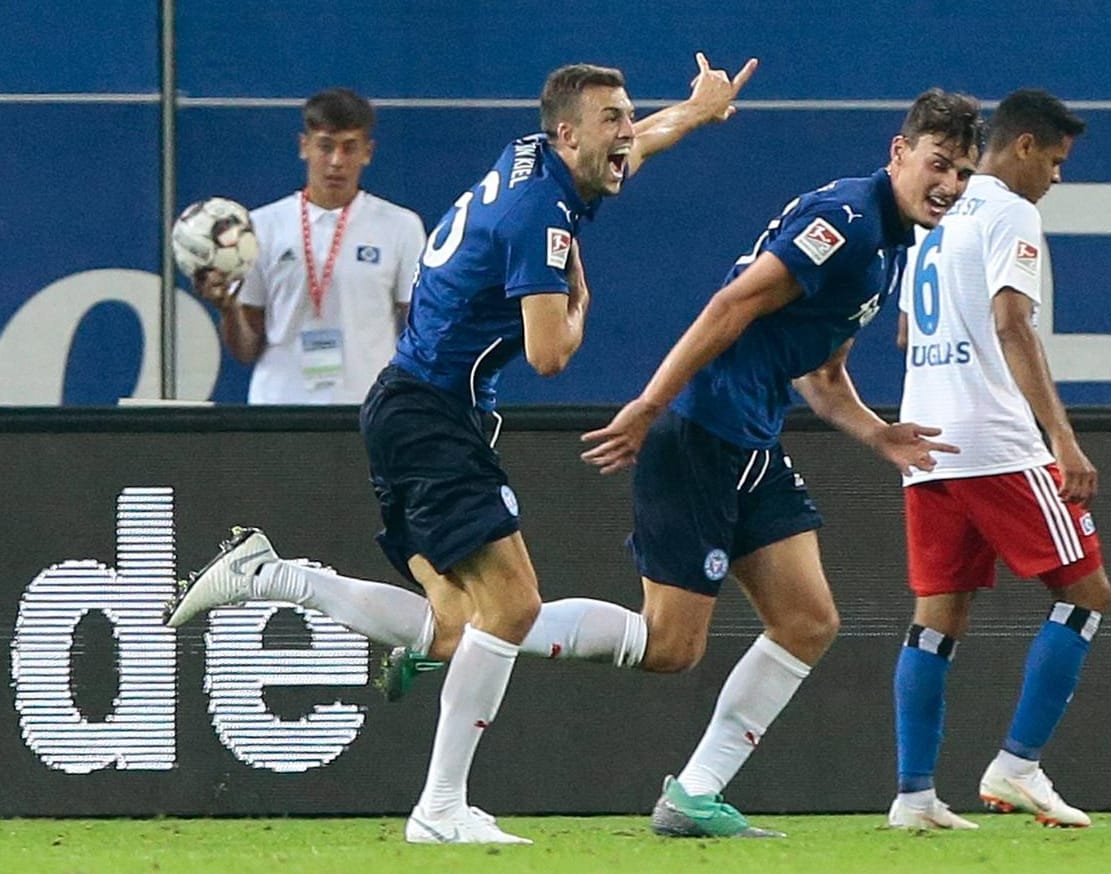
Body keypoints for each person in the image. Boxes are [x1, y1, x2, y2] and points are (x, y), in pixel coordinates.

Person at [165, 55, 757, 845]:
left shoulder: (538, 156)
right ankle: (439, 810)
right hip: (431, 414)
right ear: (567, 132)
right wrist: (581, 307)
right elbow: (550, 354)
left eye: (626, 116)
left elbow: (637, 145)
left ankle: (271, 574)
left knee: (454, 629)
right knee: (511, 608)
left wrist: (695, 108)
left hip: (417, 409)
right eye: (611, 119)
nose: (625, 134)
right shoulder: (539, 217)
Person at [577, 88, 981, 838]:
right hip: (702, 427)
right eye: (938, 165)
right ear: (899, 153)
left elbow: (823, 378)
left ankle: (694, 796)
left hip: (751, 439)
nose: (949, 186)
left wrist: (877, 434)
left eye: (962, 174)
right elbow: (733, 305)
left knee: (807, 620)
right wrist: (652, 403)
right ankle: (500, 629)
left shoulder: (887, 243)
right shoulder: (851, 223)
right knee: (670, 647)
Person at [886, 89, 1103, 831]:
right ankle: (1018, 766)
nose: (1056, 178)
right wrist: (1062, 440)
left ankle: (914, 797)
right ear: (1021, 148)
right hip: (995, 440)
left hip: (927, 441)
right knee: (1087, 594)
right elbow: (1012, 323)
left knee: (936, 619)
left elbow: (908, 336)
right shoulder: (1013, 212)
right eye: (1055, 160)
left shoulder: (934, 216)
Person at [193, 87, 427, 404]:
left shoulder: (400, 226)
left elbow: (421, 332)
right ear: (304, 147)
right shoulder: (262, 226)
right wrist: (227, 309)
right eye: (325, 147)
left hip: (369, 408)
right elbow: (246, 350)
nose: (335, 162)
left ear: (368, 152)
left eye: (349, 148)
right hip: (279, 408)